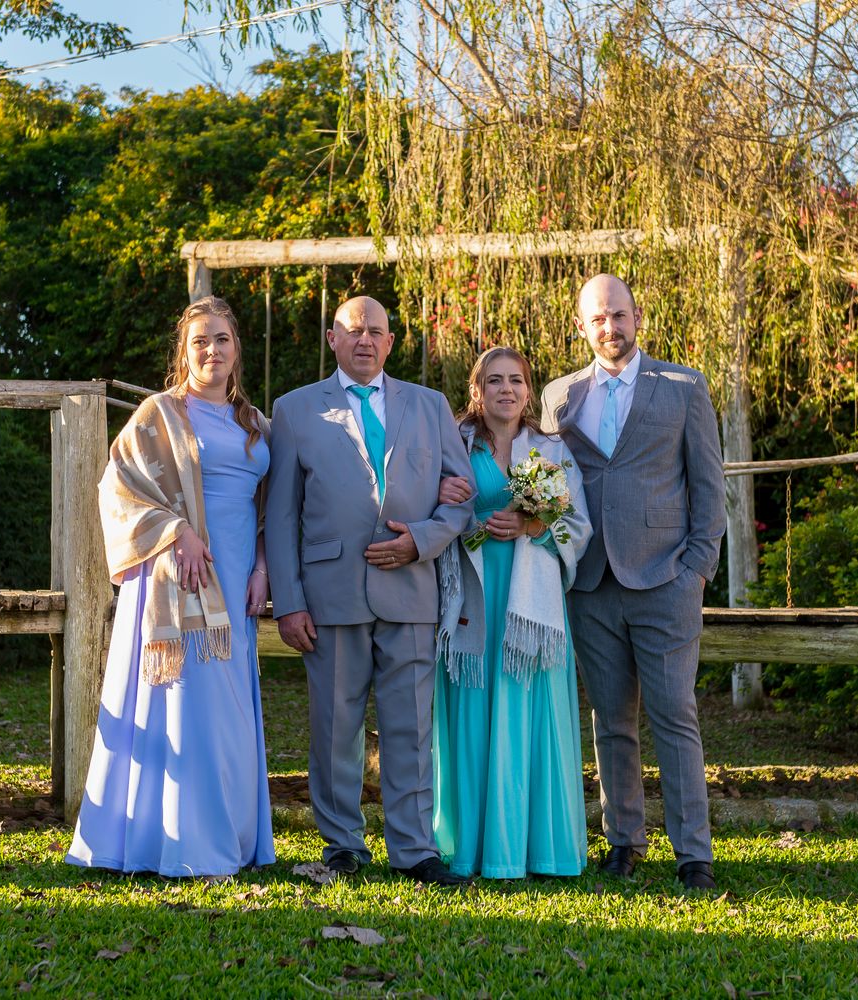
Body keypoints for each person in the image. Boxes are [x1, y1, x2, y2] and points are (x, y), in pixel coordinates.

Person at [265, 295, 474, 886]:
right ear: (332, 339)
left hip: (411, 587)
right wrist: (289, 602)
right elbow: (281, 515)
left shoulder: (430, 406)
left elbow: (461, 498)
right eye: (352, 330)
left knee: (412, 726)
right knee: (336, 727)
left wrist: (421, 541)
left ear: (390, 342)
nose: (364, 340)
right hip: (330, 594)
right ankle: (343, 845)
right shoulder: (295, 410)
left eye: (375, 331)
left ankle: (414, 849)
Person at [66, 296, 275, 878]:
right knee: (185, 704)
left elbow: (269, 511)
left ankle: (232, 838)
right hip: (177, 576)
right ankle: (175, 842)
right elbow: (116, 488)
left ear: (237, 349)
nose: (212, 350)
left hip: (237, 577)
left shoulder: (257, 425)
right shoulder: (158, 414)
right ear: (184, 352)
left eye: (222, 339)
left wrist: (262, 569)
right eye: (200, 341)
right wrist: (176, 531)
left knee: (230, 710)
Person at [539, 274, 726, 890]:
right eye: (597, 318)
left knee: (675, 716)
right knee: (610, 720)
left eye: (618, 315)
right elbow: (547, 481)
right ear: (581, 326)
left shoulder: (683, 387)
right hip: (590, 583)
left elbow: (709, 488)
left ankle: (692, 852)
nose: (610, 327)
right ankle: (623, 840)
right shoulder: (559, 397)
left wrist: (696, 570)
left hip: (666, 578)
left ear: (638, 316)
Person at [432, 347, 592, 879]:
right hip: (473, 595)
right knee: (473, 712)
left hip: (531, 604)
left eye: (516, 381)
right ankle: (473, 849)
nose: (506, 389)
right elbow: (425, 500)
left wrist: (534, 525)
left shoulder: (551, 449)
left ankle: (538, 849)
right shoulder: (454, 444)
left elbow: (579, 525)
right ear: (476, 390)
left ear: (528, 391)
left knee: (530, 713)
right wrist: (443, 496)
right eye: (495, 380)